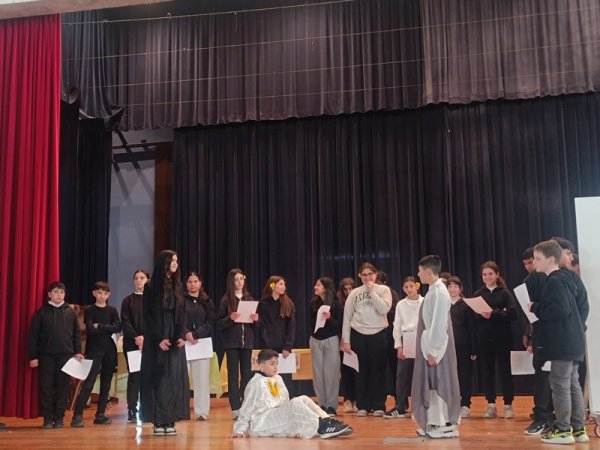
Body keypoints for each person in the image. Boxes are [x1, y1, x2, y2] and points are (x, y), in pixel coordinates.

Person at [530, 240, 588, 444]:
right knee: (572, 384)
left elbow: (559, 310)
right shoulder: (567, 278)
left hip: (563, 342)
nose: (534, 263)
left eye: (538, 259)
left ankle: (563, 430)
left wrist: (536, 308)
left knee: (560, 384)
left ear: (551, 259)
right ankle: (578, 429)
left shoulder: (554, 281)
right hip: (573, 340)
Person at [230, 349, 352, 439]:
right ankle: (322, 427)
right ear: (261, 366)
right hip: (262, 421)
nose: (275, 367)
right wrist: (239, 430)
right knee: (296, 403)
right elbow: (247, 408)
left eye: (277, 363)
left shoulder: (277, 378)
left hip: (277, 414)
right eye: (272, 364)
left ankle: (327, 420)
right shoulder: (256, 383)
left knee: (303, 398)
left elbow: (285, 400)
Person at [140, 250, 190, 435]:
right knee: (159, 379)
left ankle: (170, 420)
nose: (176, 264)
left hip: (174, 335)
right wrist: (158, 338)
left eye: (177, 260)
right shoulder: (150, 287)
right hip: (157, 336)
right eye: (172, 261)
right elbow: (147, 316)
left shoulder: (178, 286)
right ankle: (158, 421)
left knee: (173, 379)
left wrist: (181, 334)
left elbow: (182, 313)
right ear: (164, 263)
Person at [412, 255, 460, 439]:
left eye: (420, 271)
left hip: (438, 348)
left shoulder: (440, 292)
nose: (418, 274)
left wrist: (433, 350)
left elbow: (439, 323)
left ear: (428, 271)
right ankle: (434, 420)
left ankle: (446, 423)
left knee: (441, 381)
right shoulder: (433, 290)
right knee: (432, 383)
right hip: (430, 345)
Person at [29, 281, 83, 429]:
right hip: (46, 356)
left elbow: (77, 334)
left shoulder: (71, 313)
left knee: (63, 387)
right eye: (56, 292)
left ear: (64, 294)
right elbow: (33, 336)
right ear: (49, 294)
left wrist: (78, 351)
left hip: (66, 356)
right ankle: (47, 419)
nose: (59, 295)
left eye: (61, 292)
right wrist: (33, 356)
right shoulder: (41, 313)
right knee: (46, 387)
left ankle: (59, 418)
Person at [341, 262, 392, 417]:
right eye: (364, 274)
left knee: (378, 371)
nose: (368, 277)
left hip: (379, 333)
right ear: (360, 276)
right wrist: (346, 340)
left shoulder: (384, 290)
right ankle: (362, 405)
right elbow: (347, 317)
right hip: (358, 334)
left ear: (375, 275)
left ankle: (378, 405)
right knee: (361, 371)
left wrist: (372, 291)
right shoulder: (354, 293)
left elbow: (383, 309)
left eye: (370, 274)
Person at [71, 281, 121, 427]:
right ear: (94, 293)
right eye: (99, 292)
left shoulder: (112, 310)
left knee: (106, 383)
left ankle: (100, 414)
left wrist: (100, 326)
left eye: (105, 293)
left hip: (109, 349)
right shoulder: (90, 310)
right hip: (94, 350)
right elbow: (90, 330)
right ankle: (77, 416)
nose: (102, 296)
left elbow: (118, 327)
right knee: (89, 382)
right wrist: (107, 328)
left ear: (108, 295)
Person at [473, 261, 517, 419]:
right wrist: (496, 312)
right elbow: (475, 315)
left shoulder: (505, 293)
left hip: (503, 338)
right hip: (485, 338)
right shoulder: (478, 293)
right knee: (487, 371)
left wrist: (493, 314)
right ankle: (491, 404)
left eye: (490, 274)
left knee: (505, 371)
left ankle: (508, 405)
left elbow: (513, 314)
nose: (487, 277)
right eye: (484, 274)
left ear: (497, 275)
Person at [217, 268, 259, 420]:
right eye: (236, 279)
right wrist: (230, 318)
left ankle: (246, 405)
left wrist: (256, 320)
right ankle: (235, 407)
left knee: (247, 375)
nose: (240, 282)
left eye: (241, 279)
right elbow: (219, 323)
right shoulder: (226, 300)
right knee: (233, 376)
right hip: (232, 343)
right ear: (231, 282)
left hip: (247, 342)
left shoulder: (249, 298)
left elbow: (255, 326)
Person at [385, 276, 423, 419]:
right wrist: (399, 345)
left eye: (411, 286)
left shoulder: (425, 302)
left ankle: (419, 406)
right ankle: (400, 406)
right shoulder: (401, 304)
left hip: (421, 339)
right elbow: (397, 325)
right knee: (402, 374)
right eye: (406, 287)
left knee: (420, 374)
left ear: (417, 286)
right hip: (406, 338)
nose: (409, 289)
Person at [182, 271, 216, 421]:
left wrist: (196, 334)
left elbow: (211, 321)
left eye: (195, 281)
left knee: (202, 379)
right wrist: (186, 333)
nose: (193, 284)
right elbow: (177, 320)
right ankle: (181, 410)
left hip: (201, 344)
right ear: (186, 284)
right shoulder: (181, 300)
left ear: (200, 283)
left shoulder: (207, 301)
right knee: (182, 379)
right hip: (184, 343)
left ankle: (202, 411)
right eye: (190, 281)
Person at [308, 277, 342, 416]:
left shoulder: (336, 303)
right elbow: (310, 322)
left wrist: (329, 318)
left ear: (325, 288)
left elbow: (339, 325)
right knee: (318, 374)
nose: (315, 287)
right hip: (316, 339)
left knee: (331, 373)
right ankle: (322, 403)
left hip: (331, 339)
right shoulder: (314, 303)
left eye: (318, 285)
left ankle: (331, 405)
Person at [257, 276, 296, 393]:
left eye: (284, 285)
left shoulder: (288, 304)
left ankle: (287, 401)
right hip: (267, 346)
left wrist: (287, 346)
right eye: (280, 284)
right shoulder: (263, 304)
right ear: (272, 286)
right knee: (269, 377)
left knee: (285, 379)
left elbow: (291, 327)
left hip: (283, 347)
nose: (283, 287)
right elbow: (260, 325)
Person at [121, 269, 149, 422]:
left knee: (148, 377)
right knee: (134, 377)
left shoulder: (153, 300)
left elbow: (155, 321)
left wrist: (145, 337)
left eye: (142, 278)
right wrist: (137, 338)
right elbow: (125, 322)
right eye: (136, 278)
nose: (139, 280)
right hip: (132, 344)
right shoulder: (127, 301)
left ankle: (147, 409)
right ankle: (132, 409)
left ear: (147, 280)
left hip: (149, 344)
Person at [447, 275, 477, 418]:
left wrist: (473, 348)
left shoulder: (465, 305)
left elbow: (472, 327)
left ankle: (465, 404)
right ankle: (452, 403)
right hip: (447, 346)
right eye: (450, 286)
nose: (452, 289)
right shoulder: (444, 304)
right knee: (450, 375)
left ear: (460, 289)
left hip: (463, 345)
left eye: (455, 286)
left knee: (464, 374)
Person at [376, 271, 402, 403]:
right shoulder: (370, 293)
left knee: (395, 368)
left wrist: (382, 310)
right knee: (378, 369)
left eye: (379, 283)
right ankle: (379, 401)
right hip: (377, 336)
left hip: (391, 335)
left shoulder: (391, 293)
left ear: (385, 283)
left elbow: (395, 312)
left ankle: (400, 400)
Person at [337, 277, 357, 413]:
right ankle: (348, 399)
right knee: (346, 371)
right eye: (345, 289)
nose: (348, 292)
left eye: (350, 288)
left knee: (357, 370)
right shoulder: (340, 305)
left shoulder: (358, 302)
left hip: (357, 339)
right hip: (343, 341)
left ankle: (358, 400)